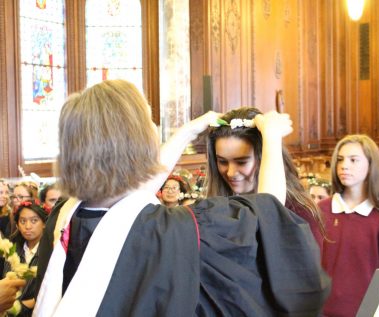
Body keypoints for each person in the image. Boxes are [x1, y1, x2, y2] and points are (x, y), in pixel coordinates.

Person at [33, 79, 330, 317]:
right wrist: (273, 135)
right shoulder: (172, 230)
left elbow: (130, 193)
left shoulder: (66, 217)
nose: (155, 128)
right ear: (134, 143)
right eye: (149, 120)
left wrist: (188, 132)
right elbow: (265, 211)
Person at [205, 106, 326, 245]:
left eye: (242, 162)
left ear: (264, 157)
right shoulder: (216, 207)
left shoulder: (299, 214)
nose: (231, 172)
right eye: (222, 161)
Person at [318, 134, 379, 317]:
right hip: (320, 311)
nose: (344, 166)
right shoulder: (320, 210)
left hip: (367, 312)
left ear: (370, 165)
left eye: (354, 160)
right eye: (340, 159)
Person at [4, 202, 47, 316]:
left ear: (44, 223)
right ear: (17, 225)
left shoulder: (49, 253)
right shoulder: (10, 249)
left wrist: (28, 304)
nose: (28, 226)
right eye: (23, 221)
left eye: (34, 221)